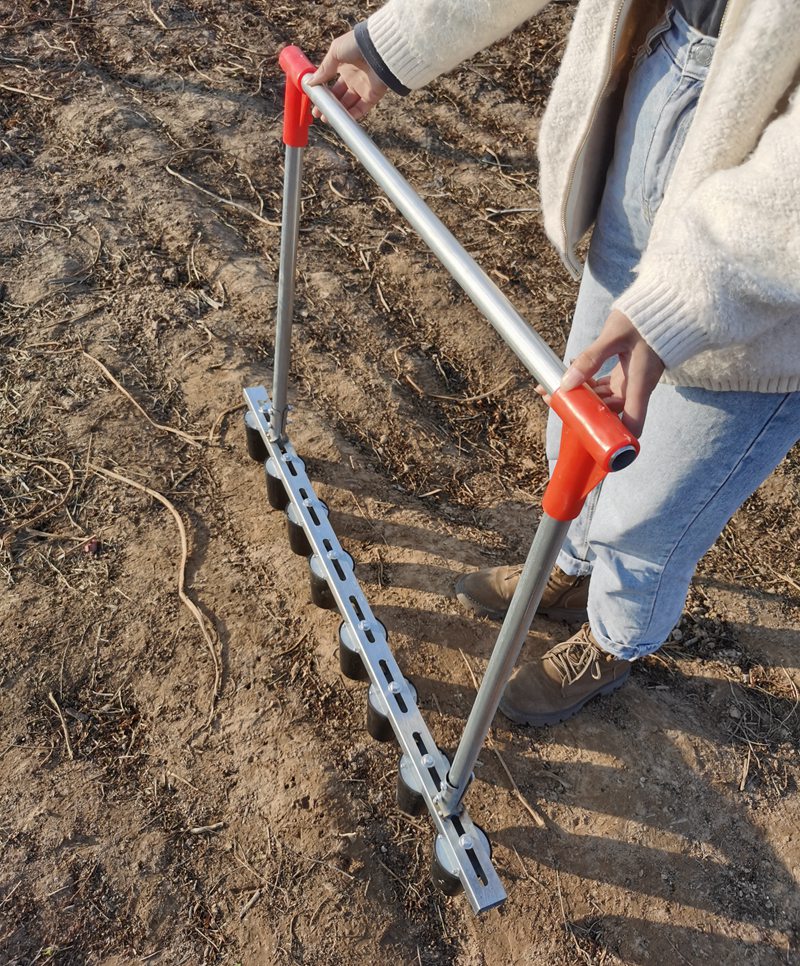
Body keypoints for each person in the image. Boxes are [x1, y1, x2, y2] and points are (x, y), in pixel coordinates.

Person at [309, 0, 800, 726]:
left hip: (767, 257)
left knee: (650, 514)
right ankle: (568, 571)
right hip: (656, 108)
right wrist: (390, 45)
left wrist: (683, 300)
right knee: (576, 435)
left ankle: (615, 638)